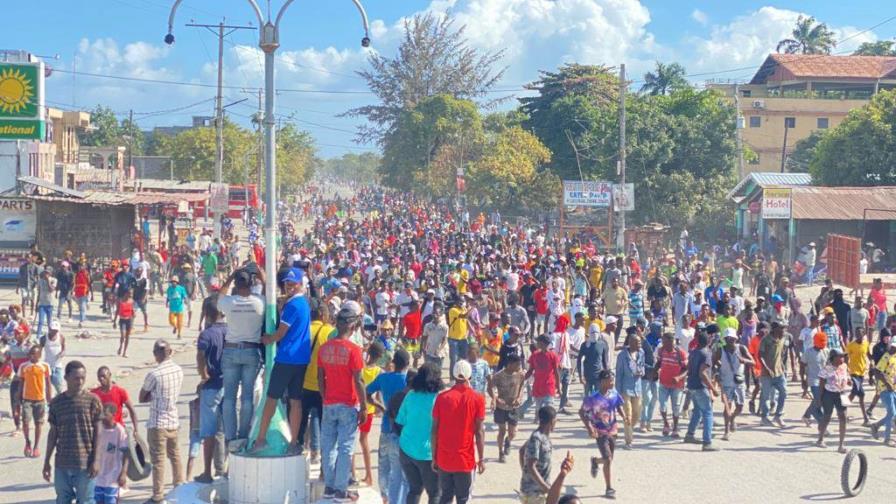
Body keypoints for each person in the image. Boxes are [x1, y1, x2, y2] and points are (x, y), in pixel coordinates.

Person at [254, 267, 311, 453]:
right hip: (301, 359)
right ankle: (294, 442)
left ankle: (260, 438)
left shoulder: (292, 306)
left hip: (286, 358)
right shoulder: (304, 303)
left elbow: (280, 333)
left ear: (300, 284)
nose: (288, 286)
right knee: (295, 401)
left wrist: (268, 338)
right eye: (287, 283)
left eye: (292, 283)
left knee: (271, 398)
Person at [317, 300, 368, 502]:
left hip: (329, 402)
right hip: (348, 404)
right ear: (353, 326)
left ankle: (329, 487)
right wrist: (364, 407)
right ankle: (340, 490)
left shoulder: (325, 348)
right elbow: (359, 380)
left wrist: (324, 396)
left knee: (328, 446)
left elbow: (321, 376)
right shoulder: (354, 350)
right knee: (346, 447)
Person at [43, 360, 103, 504]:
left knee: (86, 501)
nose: (80, 381)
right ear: (66, 378)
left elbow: (99, 433)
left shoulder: (92, 401)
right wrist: (47, 461)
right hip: (62, 463)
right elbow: (53, 433)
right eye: (76, 378)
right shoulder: (56, 403)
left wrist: (96, 460)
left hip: (85, 464)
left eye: (83, 378)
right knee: (62, 499)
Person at [217, 268, 265, 443]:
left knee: (229, 397)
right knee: (247, 396)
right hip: (251, 350)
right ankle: (243, 434)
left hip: (230, 350)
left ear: (236, 284)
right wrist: (261, 273)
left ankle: (230, 436)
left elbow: (220, 294)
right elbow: (269, 290)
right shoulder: (259, 302)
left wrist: (230, 277)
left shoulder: (229, 302)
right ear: (251, 284)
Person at [431, 360, 486, 504]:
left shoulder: (442, 398)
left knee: (445, 496)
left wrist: (434, 456)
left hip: (444, 458)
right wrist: (481, 458)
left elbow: (434, 430)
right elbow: (479, 432)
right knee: (463, 498)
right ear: (470, 377)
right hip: (464, 460)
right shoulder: (478, 399)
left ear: (453, 375)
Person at [140, 339, 185, 503]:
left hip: (157, 421)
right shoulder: (178, 370)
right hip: (173, 418)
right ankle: (179, 486)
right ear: (170, 352)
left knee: (158, 460)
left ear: (156, 354)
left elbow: (142, 396)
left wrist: (155, 395)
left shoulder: (154, 374)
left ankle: (158, 495)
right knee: (175, 455)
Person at [367, 348, 411, 504]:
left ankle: (385, 498)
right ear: (407, 363)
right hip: (402, 430)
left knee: (383, 467)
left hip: (386, 428)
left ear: (394, 362)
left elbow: (367, 392)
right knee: (400, 473)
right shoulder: (408, 380)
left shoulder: (383, 378)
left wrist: (380, 407)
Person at [396, 363, 442, 504]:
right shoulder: (439, 398)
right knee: (434, 493)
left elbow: (399, 421)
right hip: (427, 454)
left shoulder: (410, 395)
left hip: (406, 450)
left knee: (415, 489)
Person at [194, 299, 227, 484]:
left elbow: (200, 355)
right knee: (227, 431)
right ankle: (225, 470)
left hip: (212, 385)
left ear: (207, 314)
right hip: (229, 385)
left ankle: (207, 472)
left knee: (209, 432)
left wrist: (203, 373)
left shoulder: (206, 334)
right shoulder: (230, 331)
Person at [579, 369, 625, 499]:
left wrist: (625, 416)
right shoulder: (592, 398)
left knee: (608, 459)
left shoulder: (614, 394)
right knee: (608, 459)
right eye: (609, 380)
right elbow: (582, 412)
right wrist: (589, 427)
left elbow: (618, 405)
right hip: (599, 432)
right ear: (602, 382)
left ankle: (595, 461)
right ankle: (609, 488)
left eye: (612, 380)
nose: (612, 382)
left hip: (613, 431)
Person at [300, 300, 336, 464]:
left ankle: (298, 460)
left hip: (303, 384)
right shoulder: (330, 332)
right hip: (325, 387)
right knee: (325, 428)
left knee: (300, 427)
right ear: (323, 315)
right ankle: (323, 466)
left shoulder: (304, 329)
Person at [715, 328, 754, 441]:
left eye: (732, 338)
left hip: (739, 382)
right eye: (728, 339)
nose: (730, 341)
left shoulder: (741, 348)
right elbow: (713, 364)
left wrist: (744, 361)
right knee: (727, 407)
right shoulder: (720, 350)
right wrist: (717, 372)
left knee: (740, 407)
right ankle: (726, 430)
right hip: (726, 382)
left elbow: (753, 362)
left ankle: (732, 419)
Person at [683, 330, 719, 451]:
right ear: (708, 340)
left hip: (692, 385)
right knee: (708, 412)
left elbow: (689, 368)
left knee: (698, 410)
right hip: (700, 386)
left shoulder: (693, 352)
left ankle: (690, 434)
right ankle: (707, 442)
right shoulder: (706, 354)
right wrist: (713, 388)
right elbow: (703, 373)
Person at [487, 353, 525, 463]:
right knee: (502, 431)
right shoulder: (498, 376)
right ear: (510, 364)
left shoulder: (520, 374)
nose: (519, 366)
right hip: (501, 407)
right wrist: (495, 399)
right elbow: (490, 388)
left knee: (513, 433)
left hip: (514, 407)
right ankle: (500, 452)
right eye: (517, 364)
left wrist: (519, 397)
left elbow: (522, 386)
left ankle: (508, 441)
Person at [357, 341, 384, 487]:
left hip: (357, 406)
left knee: (354, 440)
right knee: (363, 440)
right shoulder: (379, 371)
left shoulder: (361, 367)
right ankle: (369, 474)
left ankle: (353, 472)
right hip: (370, 410)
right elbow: (379, 394)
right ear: (380, 356)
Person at [519, 406, 557, 504]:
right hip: (534, 493)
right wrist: (545, 486)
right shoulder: (537, 438)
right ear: (552, 421)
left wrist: (525, 472)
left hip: (537, 491)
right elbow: (531, 465)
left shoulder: (543, 436)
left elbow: (522, 451)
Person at [19, 344, 52, 458]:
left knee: (38, 423)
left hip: (40, 399)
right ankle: (27, 441)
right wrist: (19, 399)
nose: (31, 356)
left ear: (39, 355)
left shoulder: (44, 366)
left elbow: (48, 384)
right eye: (30, 353)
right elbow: (21, 383)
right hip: (27, 399)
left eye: (34, 354)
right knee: (25, 422)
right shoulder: (24, 366)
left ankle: (36, 446)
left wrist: (49, 399)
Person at [814, 349, 850, 453]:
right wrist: (819, 399)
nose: (842, 359)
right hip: (829, 394)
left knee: (843, 417)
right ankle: (820, 439)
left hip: (842, 394)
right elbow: (821, 384)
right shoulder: (827, 369)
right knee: (827, 417)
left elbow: (846, 376)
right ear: (833, 358)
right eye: (840, 356)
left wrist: (849, 380)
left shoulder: (844, 366)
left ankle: (841, 445)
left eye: (843, 356)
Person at [93, 403, 129, 504]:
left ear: (113, 415)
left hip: (113, 475)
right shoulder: (98, 429)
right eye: (101, 414)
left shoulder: (119, 431)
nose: (102, 417)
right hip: (98, 475)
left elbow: (126, 453)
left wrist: (123, 473)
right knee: (98, 500)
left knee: (110, 501)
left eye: (105, 414)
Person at [614, 331, 644, 449]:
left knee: (637, 413)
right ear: (631, 343)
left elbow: (643, 367)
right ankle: (628, 441)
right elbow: (619, 373)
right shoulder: (622, 356)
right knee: (628, 414)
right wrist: (617, 392)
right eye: (637, 342)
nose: (639, 344)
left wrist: (641, 372)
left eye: (640, 342)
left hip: (637, 387)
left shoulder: (641, 353)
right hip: (625, 388)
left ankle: (629, 429)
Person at [656, 331, 688, 438]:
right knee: (662, 405)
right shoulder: (661, 351)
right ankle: (666, 423)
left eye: (665, 342)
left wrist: (679, 377)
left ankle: (675, 428)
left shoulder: (680, 353)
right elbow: (659, 363)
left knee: (676, 407)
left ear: (671, 341)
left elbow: (686, 369)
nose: (663, 344)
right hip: (663, 383)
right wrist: (654, 371)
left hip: (677, 385)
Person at [91, 366, 139, 432]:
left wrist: (136, 430)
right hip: (102, 431)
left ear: (110, 375)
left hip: (118, 430)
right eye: (99, 377)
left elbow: (132, 410)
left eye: (103, 376)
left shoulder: (120, 392)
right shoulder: (94, 394)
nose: (101, 379)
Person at [759, 322, 788, 428]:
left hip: (779, 372)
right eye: (781, 328)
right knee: (765, 396)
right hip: (767, 374)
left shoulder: (782, 339)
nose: (783, 331)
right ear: (775, 329)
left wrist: (783, 366)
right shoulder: (766, 340)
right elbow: (760, 356)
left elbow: (782, 354)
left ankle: (778, 415)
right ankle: (764, 417)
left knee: (784, 393)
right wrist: (767, 369)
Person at [870, 339, 896, 446]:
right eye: (893, 347)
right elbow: (877, 372)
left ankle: (876, 426)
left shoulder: (894, 356)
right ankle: (887, 438)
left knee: (894, 413)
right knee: (891, 413)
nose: (894, 349)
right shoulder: (886, 357)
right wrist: (887, 383)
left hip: (893, 388)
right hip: (885, 389)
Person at [525, 335, 561, 412]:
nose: (536, 343)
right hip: (538, 387)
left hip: (549, 386)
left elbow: (556, 372)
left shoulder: (553, 355)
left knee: (549, 408)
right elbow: (530, 370)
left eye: (538, 341)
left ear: (543, 343)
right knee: (538, 409)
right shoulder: (535, 355)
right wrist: (522, 379)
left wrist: (558, 386)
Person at [801, 331, 829, 426]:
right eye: (822, 343)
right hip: (813, 380)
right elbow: (802, 365)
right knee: (818, 402)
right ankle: (822, 423)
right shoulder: (808, 352)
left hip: (824, 381)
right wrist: (803, 380)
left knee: (818, 400)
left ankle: (806, 415)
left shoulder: (826, 351)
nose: (823, 345)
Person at [846, 328, 872, 425]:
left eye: (860, 334)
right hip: (853, 372)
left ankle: (842, 408)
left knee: (858, 394)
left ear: (864, 334)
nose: (858, 335)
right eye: (856, 334)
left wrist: (872, 362)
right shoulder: (851, 345)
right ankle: (865, 418)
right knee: (858, 392)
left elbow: (868, 354)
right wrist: (845, 370)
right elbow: (845, 357)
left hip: (862, 372)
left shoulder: (866, 344)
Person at [577, 322, 609, 396]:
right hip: (587, 376)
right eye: (592, 332)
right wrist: (580, 376)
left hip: (599, 376)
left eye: (596, 332)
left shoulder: (603, 344)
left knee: (599, 397)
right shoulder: (584, 345)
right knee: (588, 398)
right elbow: (579, 360)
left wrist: (606, 375)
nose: (594, 334)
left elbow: (605, 361)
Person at [41, 320, 66, 394]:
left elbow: (64, 348)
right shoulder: (44, 338)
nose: (54, 332)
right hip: (47, 365)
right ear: (49, 329)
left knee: (59, 386)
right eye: (53, 330)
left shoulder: (61, 337)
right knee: (46, 387)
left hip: (57, 365)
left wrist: (62, 353)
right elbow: (39, 349)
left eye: (56, 330)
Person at [447, 297, 470, 375]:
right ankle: (452, 378)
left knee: (463, 360)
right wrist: (471, 308)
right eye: (460, 301)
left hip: (463, 339)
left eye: (463, 301)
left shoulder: (464, 309)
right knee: (454, 360)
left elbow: (466, 321)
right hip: (454, 339)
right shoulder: (453, 310)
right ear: (456, 301)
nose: (461, 303)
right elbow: (463, 316)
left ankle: (461, 376)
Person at [421, 303, 448, 369]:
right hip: (429, 352)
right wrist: (422, 348)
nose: (435, 315)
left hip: (440, 353)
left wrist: (439, 349)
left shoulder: (444, 326)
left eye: (437, 313)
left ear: (440, 314)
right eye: (433, 313)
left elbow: (445, 340)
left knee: (438, 371)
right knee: (428, 371)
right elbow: (424, 337)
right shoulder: (428, 326)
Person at [113, 291, 134, 357]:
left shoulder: (131, 301)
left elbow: (132, 310)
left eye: (131, 294)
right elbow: (117, 311)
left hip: (129, 320)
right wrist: (114, 321)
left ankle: (124, 352)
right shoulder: (121, 301)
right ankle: (121, 346)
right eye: (129, 294)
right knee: (123, 335)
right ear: (126, 293)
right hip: (122, 320)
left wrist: (133, 314)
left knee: (127, 336)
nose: (130, 295)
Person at [36, 268, 57, 337]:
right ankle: (38, 335)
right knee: (40, 321)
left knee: (49, 322)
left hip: (50, 303)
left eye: (47, 273)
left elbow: (51, 290)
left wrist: (48, 281)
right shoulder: (40, 281)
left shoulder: (54, 280)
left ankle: (50, 334)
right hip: (42, 303)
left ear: (50, 274)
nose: (46, 274)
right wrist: (37, 303)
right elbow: (39, 292)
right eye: (45, 273)